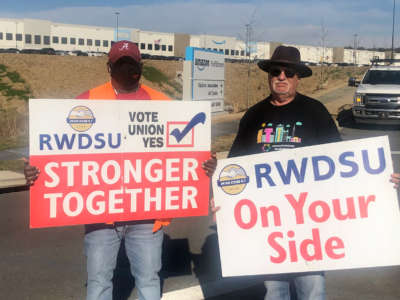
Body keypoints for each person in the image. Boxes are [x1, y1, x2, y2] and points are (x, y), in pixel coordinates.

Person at [24, 40, 217, 300]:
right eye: (120, 64)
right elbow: (55, 152)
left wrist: (205, 164)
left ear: (141, 66)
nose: (128, 70)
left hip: (147, 217)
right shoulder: (86, 101)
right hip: (100, 216)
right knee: (99, 283)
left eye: (133, 64)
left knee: (149, 281)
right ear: (109, 67)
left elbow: (185, 152)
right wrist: (36, 171)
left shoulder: (162, 103)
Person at [228, 45, 340, 300]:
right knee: (273, 290)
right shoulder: (254, 116)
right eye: (275, 71)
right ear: (268, 75)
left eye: (288, 73)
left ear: (297, 77)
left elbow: (343, 163)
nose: (281, 77)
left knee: (312, 289)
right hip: (269, 224)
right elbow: (236, 165)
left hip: (309, 221)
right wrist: (223, 198)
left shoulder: (316, 112)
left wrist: (378, 181)